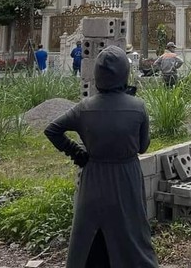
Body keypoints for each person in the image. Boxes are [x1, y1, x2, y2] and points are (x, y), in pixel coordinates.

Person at [44, 46, 158, 268]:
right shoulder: (137, 107)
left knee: (90, 232)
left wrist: (76, 152)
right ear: (124, 73)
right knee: (131, 231)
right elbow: (143, 147)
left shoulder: (84, 108)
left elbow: (52, 130)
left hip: (93, 176)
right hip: (126, 177)